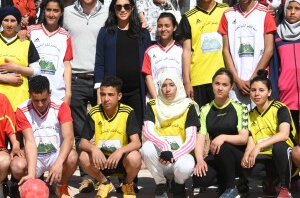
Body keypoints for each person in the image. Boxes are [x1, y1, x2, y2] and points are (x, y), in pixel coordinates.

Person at [63, 0, 108, 191]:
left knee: (103, 129)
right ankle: (87, 176)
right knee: (82, 132)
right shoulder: (67, 13)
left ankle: (105, 175)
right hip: (77, 78)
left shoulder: (109, 12)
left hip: (102, 78)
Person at [10, 75, 78, 198]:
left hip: (55, 155)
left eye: (44, 99)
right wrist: (31, 174)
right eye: (36, 100)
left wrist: (59, 162)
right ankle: (34, 183)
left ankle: (60, 186)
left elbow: (69, 138)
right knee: (17, 165)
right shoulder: (22, 110)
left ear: (50, 93)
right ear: (30, 94)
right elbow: (29, 142)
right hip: (35, 158)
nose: (40, 104)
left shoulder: (61, 106)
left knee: (73, 157)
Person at [218, 0, 277, 109]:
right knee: (238, 127)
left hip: (258, 82)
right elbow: (225, 50)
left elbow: (269, 50)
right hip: (235, 84)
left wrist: (253, 80)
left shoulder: (265, 14)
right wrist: (236, 80)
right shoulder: (227, 14)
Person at [94, 0, 151, 129]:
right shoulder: (105, 32)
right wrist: (99, 93)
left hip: (137, 92)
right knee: (113, 131)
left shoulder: (143, 33)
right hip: (113, 93)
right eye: (118, 7)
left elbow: (149, 64)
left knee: (136, 132)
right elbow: (99, 63)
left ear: (132, 9)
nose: (122, 10)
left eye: (126, 6)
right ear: (113, 10)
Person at [79, 76, 141, 198]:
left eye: (110, 95)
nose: (106, 99)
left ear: (119, 96)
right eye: (103, 94)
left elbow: (136, 143)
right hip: (101, 161)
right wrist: (93, 149)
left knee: (135, 157)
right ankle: (105, 182)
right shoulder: (94, 112)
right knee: (83, 156)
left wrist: (120, 151)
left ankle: (127, 184)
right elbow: (82, 143)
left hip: (120, 160)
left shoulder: (128, 112)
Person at [141, 70, 199, 198]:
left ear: (178, 86)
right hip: (161, 157)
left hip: (180, 156)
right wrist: (165, 148)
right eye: (164, 85)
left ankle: (179, 185)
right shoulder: (153, 105)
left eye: (171, 85)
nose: (167, 89)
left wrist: (173, 155)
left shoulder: (188, 106)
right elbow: (147, 131)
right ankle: (161, 184)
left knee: (187, 166)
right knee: (146, 149)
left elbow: (191, 140)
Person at [193, 68, 249, 198]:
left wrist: (223, 137)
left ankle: (231, 189)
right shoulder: (205, 109)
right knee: (200, 179)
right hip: (217, 155)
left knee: (222, 145)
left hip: (238, 157)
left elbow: (244, 138)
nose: (220, 88)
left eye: (225, 85)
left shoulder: (240, 107)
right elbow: (200, 137)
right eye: (217, 83)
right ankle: (226, 182)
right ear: (212, 84)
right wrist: (200, 160)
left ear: (231, 87)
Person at [241, 70, 298, 197]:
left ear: (269, 92)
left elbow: (284, 134)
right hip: (267, 157)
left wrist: (259, 146)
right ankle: (272, 181)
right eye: (253, 90)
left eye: (261, 90)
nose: (257, 94)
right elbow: (251, 140)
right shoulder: (250, 115)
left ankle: (285, 189)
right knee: (249, 168)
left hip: (287, 158)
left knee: (278, 146)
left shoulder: (280, 108)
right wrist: (247, 154)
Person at [179, 0, 228, 106]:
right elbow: (186, 52)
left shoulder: (226, 11)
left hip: (221, 79)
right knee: (200, 124)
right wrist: (187, 81)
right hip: (198, 79)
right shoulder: (188, 17)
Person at [27, 0, 73, 103]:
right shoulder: (31, 31)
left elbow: (66, 65)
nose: (51, 14)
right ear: (44, 10)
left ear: (61, 13)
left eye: (56, 11)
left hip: (57, 94)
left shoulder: (65, 36)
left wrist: (68, 93)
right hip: (34, 93)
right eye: (48, 10)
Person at [0, 6, 40, 111]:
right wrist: (5, 78)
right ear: (1, 22)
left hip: (20, 102)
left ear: (18, 22)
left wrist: (16, 68)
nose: (9, 24)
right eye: (6, 20)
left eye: (13, 21)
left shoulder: (25, 43)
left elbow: (37, 71)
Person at [270, 0, 300, 133]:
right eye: (289, 8)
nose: (292, 12)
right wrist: (276, 90)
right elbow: (274, 67)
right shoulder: (277, 35)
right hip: (285, 94)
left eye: (297, 8)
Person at [142, 12, 182, 100]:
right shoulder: (150, 51)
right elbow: (148, 77)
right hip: (156, 99)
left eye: (167, 26)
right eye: (160, 26)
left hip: (178, 99)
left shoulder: (181, 50)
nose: (163, 29)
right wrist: (156, 99)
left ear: (174, 27)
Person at [0, 94, 23, 198]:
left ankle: (1, 185)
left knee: (4, 161)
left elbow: (11, 129)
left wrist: (15, 146)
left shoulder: (2, 99)